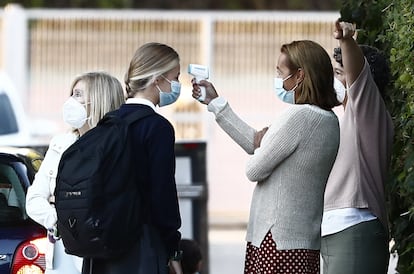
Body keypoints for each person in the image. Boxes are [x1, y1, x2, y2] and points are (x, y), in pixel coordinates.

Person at [192, 40, 340, 273]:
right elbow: (256, 144)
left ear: (300, 75)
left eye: (281, 72)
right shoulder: (329, 120)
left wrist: (263, 143)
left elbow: (254, 168)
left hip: (276, 240)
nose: (278, 79)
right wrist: (215, 103)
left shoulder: (298, 117)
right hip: (301, 243)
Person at [82, 42, 183, 274]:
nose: (177, 85)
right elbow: (162, 193)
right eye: (175, 77)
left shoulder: (107, 122)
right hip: (141, 245)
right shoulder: (157, 127)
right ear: (157, 79)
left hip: (102, 246)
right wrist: (172, 244)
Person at [26, 71, 125, 274]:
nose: (71, 101)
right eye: (72, 94)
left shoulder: (120, 146)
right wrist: (62, 222)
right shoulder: (60, 145)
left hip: (108, 255)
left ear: (99, 99)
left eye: (78, 94)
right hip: (64, 257)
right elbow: (34, 199)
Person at [321, 20, 394, 274]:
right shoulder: (350, 117)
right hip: (339, 233)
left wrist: (347, 40)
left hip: (355, 228)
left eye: (338, 73)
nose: (333, 79)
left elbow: (358, 75)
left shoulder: (366, 109)